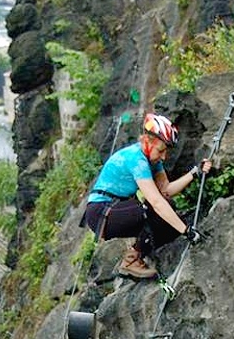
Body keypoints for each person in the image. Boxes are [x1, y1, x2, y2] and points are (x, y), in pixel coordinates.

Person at [84, 113, 211, 280]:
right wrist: (187, 231)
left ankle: (133, 257)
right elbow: (156, 202)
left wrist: (195, 172)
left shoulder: (153, 161)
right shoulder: (136, 159)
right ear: (147, 141)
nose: (164, 156)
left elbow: (165, 191)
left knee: (170, 221)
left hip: (114, 210)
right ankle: (131, 261)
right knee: (155, 210)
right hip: (100, 212)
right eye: (161, 150)